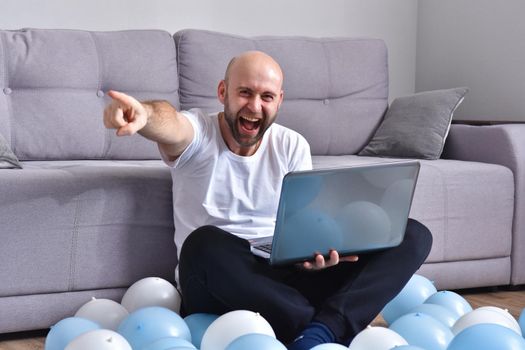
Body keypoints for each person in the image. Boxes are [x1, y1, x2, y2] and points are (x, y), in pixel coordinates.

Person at [103, 51, 432, 348]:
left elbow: (302, 225)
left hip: (282, 277)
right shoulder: (198, 132)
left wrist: (316, 257)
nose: (254, 106)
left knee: (413, 234)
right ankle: (324, 326)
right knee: (202, 243)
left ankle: (317, 331)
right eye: (244, 92)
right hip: (219, 280)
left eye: (267, 96)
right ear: (223, 92)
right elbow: (169, 121)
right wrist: (144, 115)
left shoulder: (292, 144)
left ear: (279, 101)